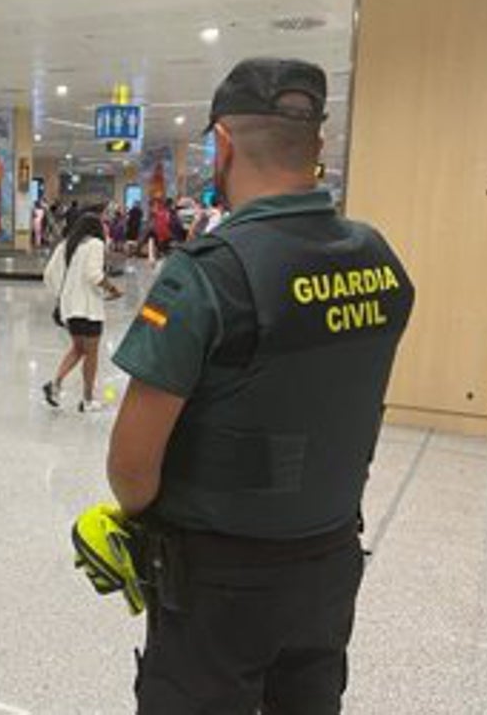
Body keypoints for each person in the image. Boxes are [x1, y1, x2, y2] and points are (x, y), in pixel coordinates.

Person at [105, 59, 414, 713]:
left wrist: (135, 525)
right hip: (330, 564)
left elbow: (132, 467)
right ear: (318, 146)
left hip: (218, 584)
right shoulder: (380, 260)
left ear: (221, 144)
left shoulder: (210, 275)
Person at [43, 213, 122, 413]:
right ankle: (87, 401)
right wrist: (113, 289)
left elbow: (49, 275)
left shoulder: (66, 245)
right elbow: (94, 274)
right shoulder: (95, 244)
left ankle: (55, 385)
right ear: (96, 228)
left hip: (70, 309)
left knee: (78, 349)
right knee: (91, 354)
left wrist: (62, 296)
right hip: (88, 310)